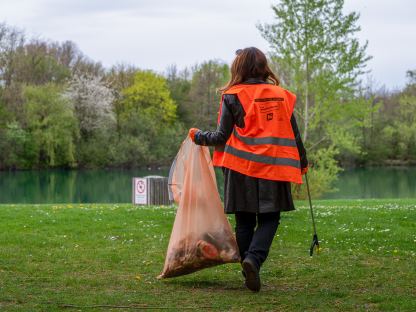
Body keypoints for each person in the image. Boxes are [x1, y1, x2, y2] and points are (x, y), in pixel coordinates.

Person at [188, 47, 308, 292]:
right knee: (270, 218)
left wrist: (198, 136)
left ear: (239, 68)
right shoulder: (282, 95)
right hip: (274, 168)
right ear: (264, 67)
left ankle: (248, 264)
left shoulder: (232, 95)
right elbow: (294, 135)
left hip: (240, 167)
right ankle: (253, 260)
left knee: (244, 221)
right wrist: (302, 163)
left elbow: (221, 136)